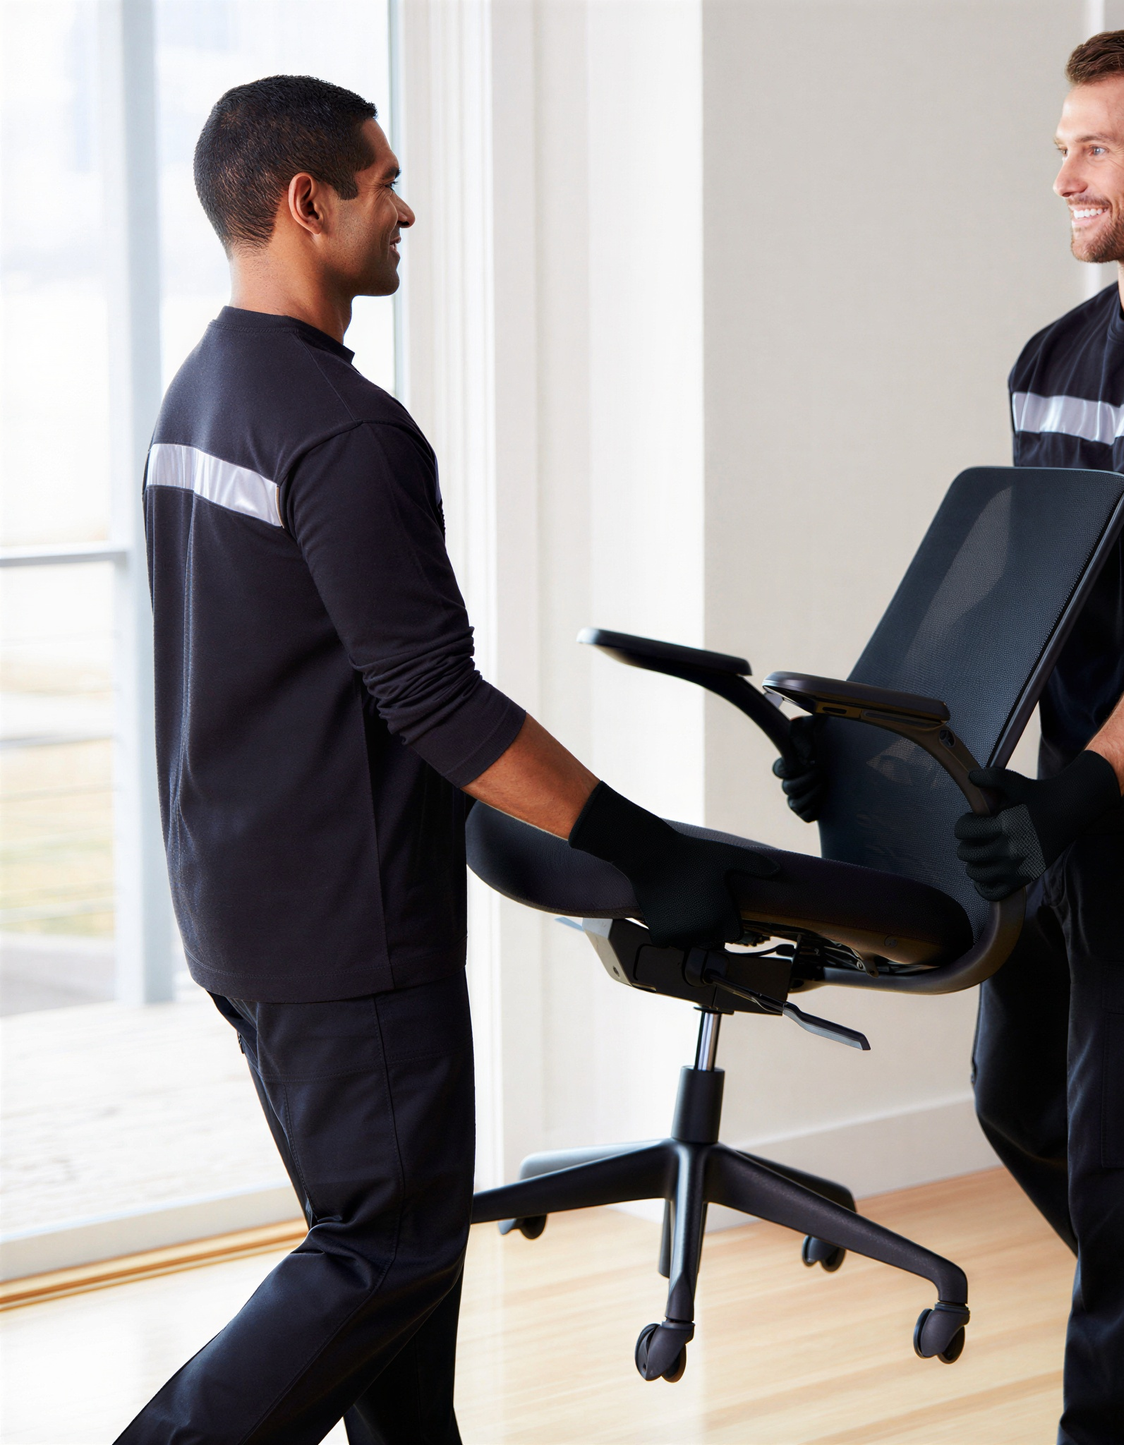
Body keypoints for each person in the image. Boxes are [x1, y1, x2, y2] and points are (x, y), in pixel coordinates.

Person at [120, 75, 773, 1445]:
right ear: (309, 202)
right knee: (388, 1255)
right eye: (382, 180)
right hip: (348, 933)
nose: (405, 206)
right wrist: (650, 857)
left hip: (242, 903)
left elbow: (304, 676)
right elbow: (436, 702)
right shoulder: (344, 430)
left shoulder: (204, 393)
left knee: (389, 1263)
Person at [780, 24, 1124, 1445]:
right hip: (1053, 808)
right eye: (1060, 150)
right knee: (1024, 1105)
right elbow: (1003, 606)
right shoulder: (1051, 360)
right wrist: (866, 754)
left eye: (1094, 147)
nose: (1067, 178)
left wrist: (1092, 786)